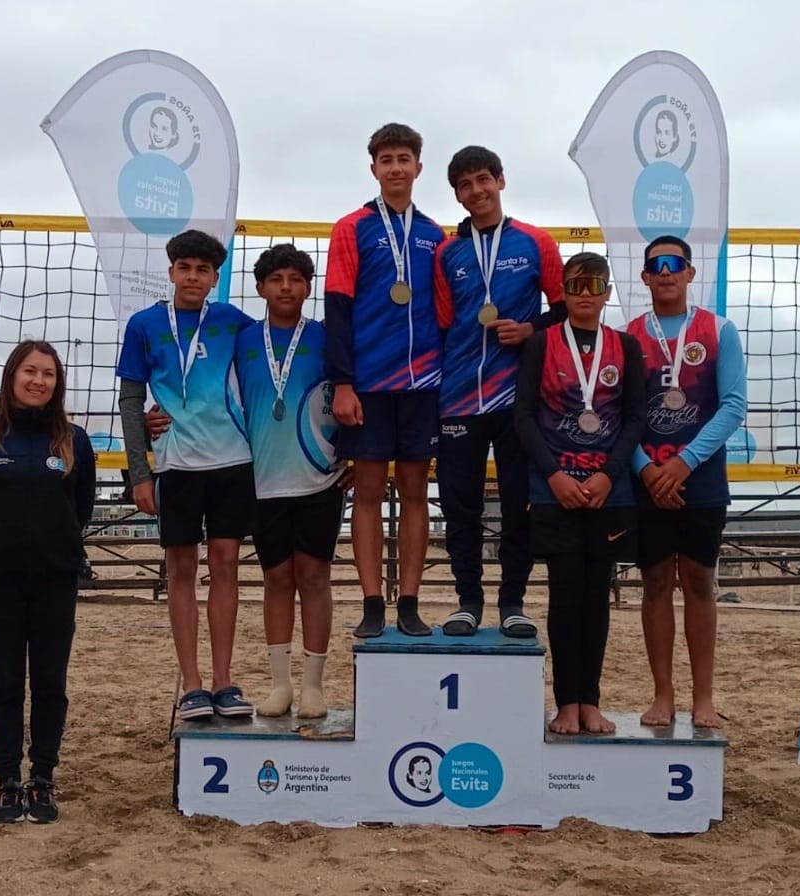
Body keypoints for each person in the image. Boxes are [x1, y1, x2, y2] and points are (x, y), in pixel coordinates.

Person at [117, 229, 256, 722]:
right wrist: (139, 472)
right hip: (175, 465)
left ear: (216, 278)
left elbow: (266, 376)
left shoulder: (235, 323)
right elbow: (132, 401)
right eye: (185, 267)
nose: (193, 276)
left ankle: (223, 680)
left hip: (232, 460)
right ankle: (192, 685)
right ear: (172, 270)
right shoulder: (145, 324)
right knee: (181, 569)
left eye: (203, 270)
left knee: (225, 564)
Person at [434, 146, 565, 638]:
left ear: (501, 181)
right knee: (458, 502)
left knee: (518, 502)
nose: (476, 191)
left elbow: (562, 311)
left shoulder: (536, 242)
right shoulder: (448, 253)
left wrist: (530, 330)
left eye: (483, 180)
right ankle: (468, 600)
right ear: (457, 195)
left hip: (517, 399)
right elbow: (445, 323)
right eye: (465, 185)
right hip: (459, 396)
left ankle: (513, 601)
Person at [515, 254, 645, 734]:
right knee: (565, 594)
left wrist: (610, 474)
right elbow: (523, 417)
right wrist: (554, 476)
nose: (586, 292)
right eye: (576, 284)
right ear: (564, 292)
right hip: (556, 490)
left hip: (608, 492)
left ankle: (591, 700)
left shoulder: (626, 347)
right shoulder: (541, 344)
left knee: (597, 596)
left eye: (595, 284)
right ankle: (565, 702)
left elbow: (635, 418)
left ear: (607, 291)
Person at [324, 123, 444, 638]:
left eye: (404, 158)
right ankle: (373, 601)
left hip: (424, 382)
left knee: (416, 490)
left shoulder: (436, 234)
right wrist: (343, 383)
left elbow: (445, 311)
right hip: (369, 382)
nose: (395, 167)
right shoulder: (351, 228)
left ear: (419, 167)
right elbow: (337, 307)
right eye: (386, 159)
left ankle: (411, 601)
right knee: (368, 490)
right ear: (373, 168)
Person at [626, 235, 746, 729]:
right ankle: (662, 696)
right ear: (646, 277)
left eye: (675, 263)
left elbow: (734, 405)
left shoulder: (719, 330)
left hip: (699, 479)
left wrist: (684, 463)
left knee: (699, 582)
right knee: (655, 583)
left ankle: (702, 697)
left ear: (691, 273)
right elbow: (618, 414)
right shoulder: (630, 336)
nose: (667, 271)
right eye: (657, 265)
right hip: (647, 477)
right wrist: (648, 469)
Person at [0, 341, 95, 823]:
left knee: (50, 683)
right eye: (30, 371)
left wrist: (57, 546)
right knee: (5, 684)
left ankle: (42, 778)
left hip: (54, 580)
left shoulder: (73, 439)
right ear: (12, 376)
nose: (39, 380)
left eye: (48, 373)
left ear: (57, 383)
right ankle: (7, 782)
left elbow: (81, 507)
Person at [235, 244, 349, 718]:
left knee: (315, 577)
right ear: (260, 287)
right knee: (276, 578)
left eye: (296, 279)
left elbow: (349, 395)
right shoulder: (242, 340)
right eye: (276, 279)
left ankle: (314, 687)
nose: (286, 287)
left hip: (319, 477)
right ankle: (280, 684)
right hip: (263, 480)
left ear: (308, 287)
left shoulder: (326, 338)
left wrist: (357, 456)